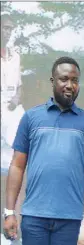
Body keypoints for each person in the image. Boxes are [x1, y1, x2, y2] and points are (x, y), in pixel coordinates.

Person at [2, 56, 84, 245]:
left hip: (69, 217)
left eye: (75, 80)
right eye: (64, 79)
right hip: (34, 216)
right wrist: (9, 212)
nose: (70, 85)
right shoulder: (31, 118)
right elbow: (16, 165)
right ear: (52, 81)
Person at [1, 11, 24, 171]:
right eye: (4, 28)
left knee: (15, 155)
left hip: (13, 108)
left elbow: (19, 85)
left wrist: (16, 98)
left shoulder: (15, 56)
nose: (8, 32)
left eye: (10, 29)